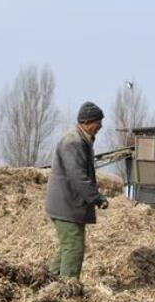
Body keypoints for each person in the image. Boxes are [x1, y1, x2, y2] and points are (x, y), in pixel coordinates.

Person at [45, 101, 109, 279]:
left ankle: (49, 282)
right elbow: (77, 176)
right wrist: (95, 197)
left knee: (68, 246)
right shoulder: (73, 141)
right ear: (88, 122)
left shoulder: (81, 140)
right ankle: (68, 290)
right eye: (98, 122)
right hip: (66, 205)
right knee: (74, 248)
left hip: (68, 204)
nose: (101, 126)